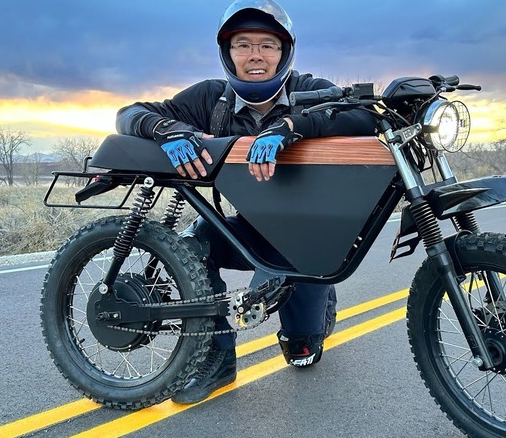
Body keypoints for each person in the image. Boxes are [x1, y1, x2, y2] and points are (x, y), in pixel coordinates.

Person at [115, 0, 376, 404]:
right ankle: (216, 361)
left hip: (306, 238)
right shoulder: (208, 99)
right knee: (193, 243)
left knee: (303, 353)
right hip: (249, 228)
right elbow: (130, 113)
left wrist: (291, 126)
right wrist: (165, 128)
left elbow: (362, 116)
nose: (255, 55)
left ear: (284, 52)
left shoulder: (309, 89)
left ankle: (314, 312)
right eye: (242, 44)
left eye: (267, 45)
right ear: (228, 52)